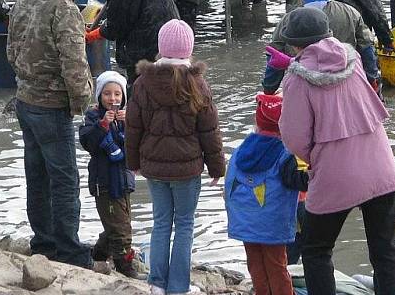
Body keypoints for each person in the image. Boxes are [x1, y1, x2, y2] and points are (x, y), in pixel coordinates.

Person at [279, 7, 395, 295]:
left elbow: (294, 138)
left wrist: (315, 160)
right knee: (385, 250)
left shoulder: (297, 79)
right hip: (381, 167)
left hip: (335, 174)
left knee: (316, 250)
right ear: (328, 35)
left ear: (294, 44)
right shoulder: (354, 60)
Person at [6, 0, 94, 267]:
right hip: (52, 106)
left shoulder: (23, 1)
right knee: (65, 179)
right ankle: (70, 250)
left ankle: (43, 242)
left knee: (37, 176)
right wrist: (84, 104)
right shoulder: (65, 9)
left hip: (25, 101)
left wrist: (28, 81)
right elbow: (75, 64)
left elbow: (11, 53)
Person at [126, 19, 226, 295]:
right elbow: (209, 130)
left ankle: (157, 284)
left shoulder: (143, 82)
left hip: (154, 168)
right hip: (187, 169)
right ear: (188, 49)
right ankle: (179, 288)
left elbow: (133, 127)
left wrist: (132, 163)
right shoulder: (197, 83)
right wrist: (217, 167)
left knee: (160, 223)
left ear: (160, 47)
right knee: (184, 225)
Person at [225, 93, 308, 295]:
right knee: (277, 266)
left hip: (244, 220)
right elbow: (300, 181)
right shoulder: (286, 154)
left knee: (255, 264)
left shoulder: (241, 149)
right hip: (272, 224)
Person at [262, 0, 380, 96]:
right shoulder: (351, 12)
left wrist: (269, 91)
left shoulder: (289, 19)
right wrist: (372, 80)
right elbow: (366, 48)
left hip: (304, 85)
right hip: (344, 82)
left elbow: (274, 57)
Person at [78, 71, 139, 278]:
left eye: (117, 95)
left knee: (118, 223)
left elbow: (138, 143)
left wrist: (130, 123)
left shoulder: (126, 118)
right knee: (121, 229)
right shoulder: (93, 117)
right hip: (104, 184)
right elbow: (88, 143)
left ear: (123, 97)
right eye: (107, 94)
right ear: (99, 96)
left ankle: (98, 255)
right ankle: (125, 267)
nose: (112, 99)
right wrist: (103, 125)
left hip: (123, 181)